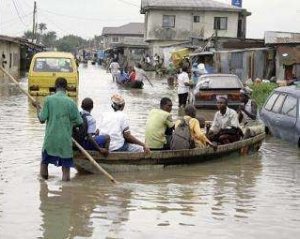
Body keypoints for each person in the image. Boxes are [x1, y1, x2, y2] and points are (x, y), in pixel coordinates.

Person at [32, 77, 83, 181]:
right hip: (65, 141)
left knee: (44, 163)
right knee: (65, 170)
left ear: (55, 87)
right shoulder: (71, 103)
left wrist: (37, 107)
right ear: (66, 88)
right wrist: (69, 123)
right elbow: (79, 122)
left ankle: (43, 187)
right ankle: (65, 192)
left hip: (50, 140)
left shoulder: (49, 100)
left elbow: (42, 119)